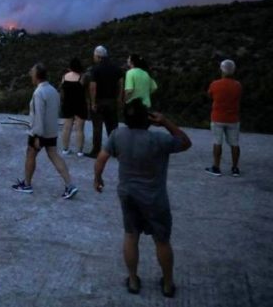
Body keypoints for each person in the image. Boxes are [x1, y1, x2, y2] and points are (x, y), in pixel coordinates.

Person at [93, 99, 191, 298]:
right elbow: (185, 142)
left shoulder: (117, 135)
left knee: (131, 236)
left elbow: (101, 158)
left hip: (128, 195)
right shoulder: (159, 140)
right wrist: (165, 122)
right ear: (148, 119)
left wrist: (98, 178)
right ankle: (167, 284)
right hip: (155, 198)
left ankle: (133, 280)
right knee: (162, 241)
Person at [12, 64, 79, 199]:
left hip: (40, 131)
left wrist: (36, 135)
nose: (30, 75)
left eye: (32, 73)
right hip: (52, 131)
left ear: (36, 76)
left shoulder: (38, 93)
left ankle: (27, 184)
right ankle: (70, 184)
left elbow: (38, 115)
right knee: (54, 155)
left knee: (30, 155)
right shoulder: (53, 90)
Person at [206, 59, 242, 177]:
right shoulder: (237, 85)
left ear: (221, 70)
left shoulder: (215, 84)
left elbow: (210, 95)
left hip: (217, 117)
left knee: (217, 142)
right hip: (233, 118)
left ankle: (216, 167)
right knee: (234, 144)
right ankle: (235, 168)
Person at [87, 45, 124, 158]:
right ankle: (115, 150)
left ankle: (96, 151)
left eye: (94, 56)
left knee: (97, 127)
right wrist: (119, 98)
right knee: (112, 127)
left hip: (99, 101)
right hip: (112, 101)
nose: (93, 58)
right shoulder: (116, 68)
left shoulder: (95, 69)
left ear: (98, 56)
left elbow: (93, 87)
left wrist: (93, 102)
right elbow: (121, 84)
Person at [60, 58, 88, 157]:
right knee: (79, 129)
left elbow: (62, 91)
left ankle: (65, 149)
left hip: (67, 104)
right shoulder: (82, 77)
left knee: (66, 127)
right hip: (80, 104)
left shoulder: (64, 77)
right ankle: (80, 152)